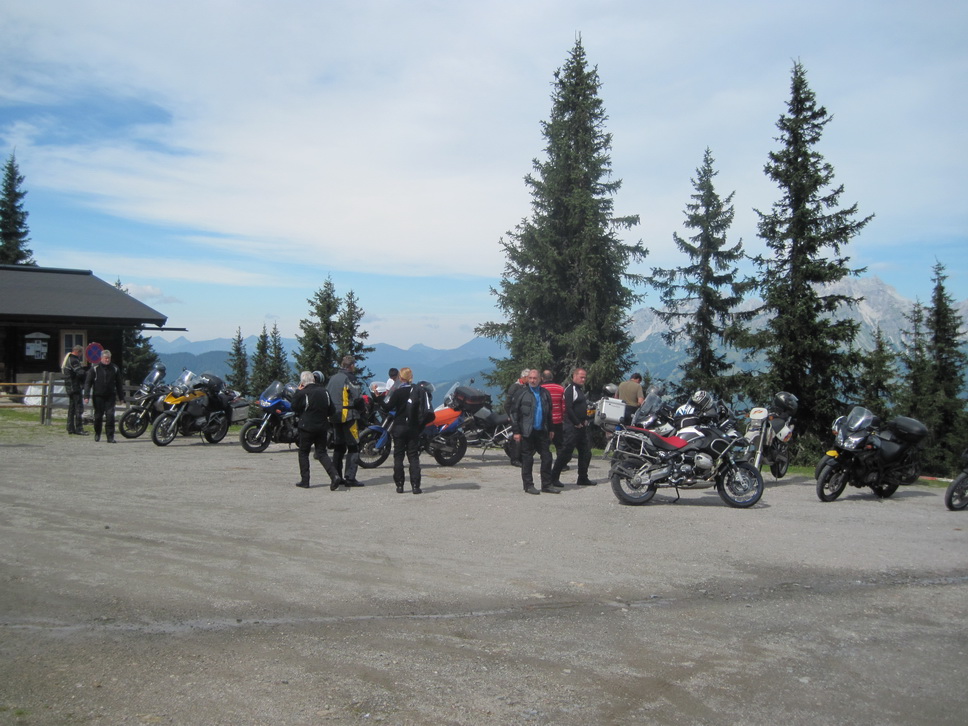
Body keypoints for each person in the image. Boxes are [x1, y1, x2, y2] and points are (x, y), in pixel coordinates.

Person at [382, 367, 432, 494]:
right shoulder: (417, 391)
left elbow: (387, 407)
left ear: (400, 377)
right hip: (413, 427)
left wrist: (377, 397)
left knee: (398, 456)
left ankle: (400, 485)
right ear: (411, 377)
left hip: (399, 427)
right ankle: (416, 486)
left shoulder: (398, 392)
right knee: (413, 456)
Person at [508, 369, 557, 495]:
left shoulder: (545, 393)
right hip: (526, 431)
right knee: (527, 459)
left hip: (542, 430)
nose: (532, 380)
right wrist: (516, 431)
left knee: (547, 457)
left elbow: (549, 413)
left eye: (535, 378)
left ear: (540, 379)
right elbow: (514, 413)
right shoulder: (521, 393)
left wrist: (551, 428)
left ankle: (547, 484)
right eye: (530, 378)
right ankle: (528, 485)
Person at [291, 371, 343, 490]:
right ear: (314, 380)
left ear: (302, 382)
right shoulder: (325, 392)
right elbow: (332, 410)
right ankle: (334, 475)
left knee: (303, 453)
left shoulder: (303, 393)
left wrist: (298, 391)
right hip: (322, 427)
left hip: (306, 427)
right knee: (321, 453)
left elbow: (294, 407)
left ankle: (305, 480)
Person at [552, 367, 595, 486]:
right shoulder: (570, 389)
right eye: (581, 377)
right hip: (571, 427)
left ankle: (583, 477)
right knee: (566, 453)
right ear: (574, 376)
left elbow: (581, 408)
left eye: (585, 377)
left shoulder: (580, 390)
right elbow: (568, 408)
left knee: (586, 452)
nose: (583, 379)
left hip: (581, 427)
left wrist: (585, 420)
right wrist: (576, 422)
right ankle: (553, 478)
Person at [327, 354, 365, 487]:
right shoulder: (350, 378)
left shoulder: (333, 378)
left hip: (335, 416)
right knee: (354, 446)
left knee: (339, 446)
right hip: (349, 416)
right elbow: (357, 398)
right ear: (351, 365)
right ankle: (350, 477)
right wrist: (363, 411)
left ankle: (336, 476)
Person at [83, 349, 125, 443]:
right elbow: (88, 383)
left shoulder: (115, 368)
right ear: (101, 358)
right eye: (105, 358)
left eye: (108, 358)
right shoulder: (95, 368)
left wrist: (121, 397)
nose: (107, 360)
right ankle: (97, 433)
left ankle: (110, 437)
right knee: (98, 416)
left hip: (110, 396)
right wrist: (86, 396)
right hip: (98, 396)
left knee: (110, 416)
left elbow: (119, 384)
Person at [503, 368, 530, 467]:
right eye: (529, 377)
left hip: (524, 417)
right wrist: (511, 416)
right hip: (515, 416)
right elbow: (507, 404)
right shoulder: (515, 387)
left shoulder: (526, 387)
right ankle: (515, 459)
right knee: (516, 438)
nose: (531, 380)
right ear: (524, 377)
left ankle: (522, 457)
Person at [62, 344, 88, 435]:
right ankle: (79, 428)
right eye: (81, 353)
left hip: (69, 387)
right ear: (78, 352)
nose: (81, 355)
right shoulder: (74, 360)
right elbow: (80, 372)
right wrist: (87, 374)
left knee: (72, 408)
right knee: (78, 408)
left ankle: (70, 428)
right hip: (75, 387)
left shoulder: (68, 359)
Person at [540, 370, 564, 455]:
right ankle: (561, 462)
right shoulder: (560, 388)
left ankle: (546, 460)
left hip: (544, 421)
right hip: (557, 420)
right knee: (559, 445)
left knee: (544, 445)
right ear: (552, 377)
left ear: (542, 378)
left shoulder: (540, 389)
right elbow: (563, 406)